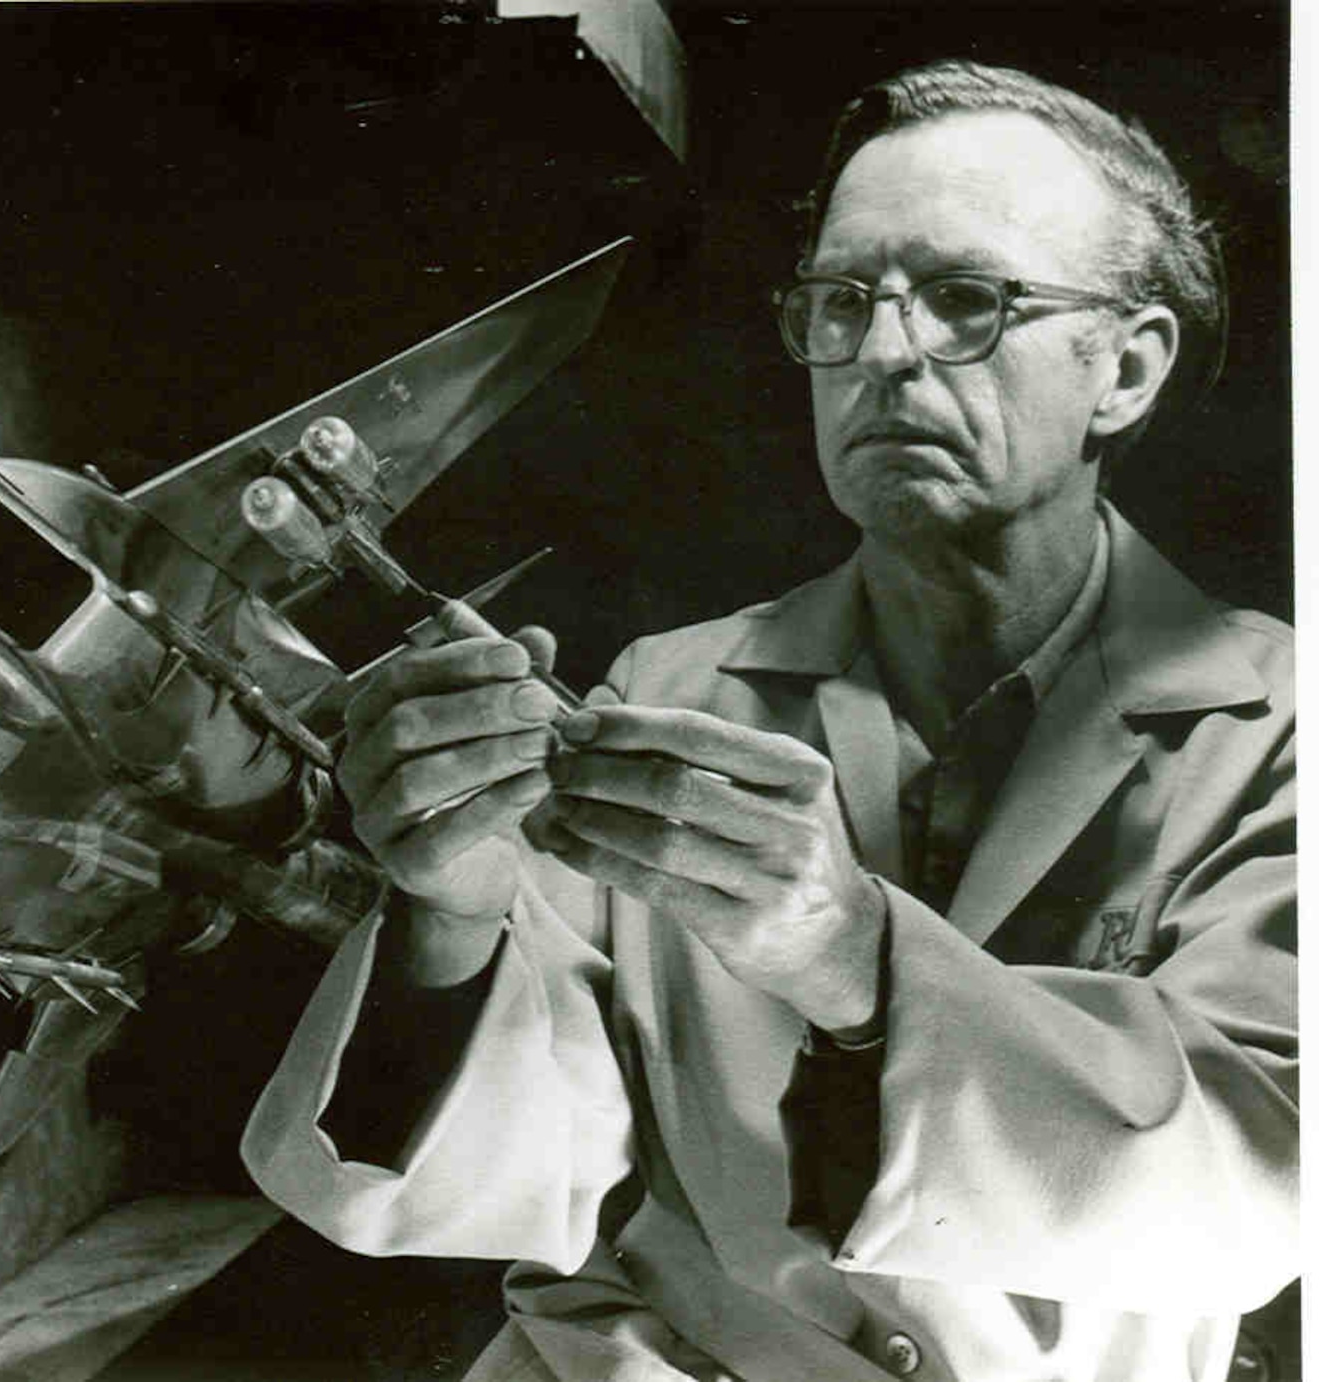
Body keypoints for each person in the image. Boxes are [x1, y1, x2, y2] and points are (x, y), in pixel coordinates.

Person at [241, 59, 1296, 1382]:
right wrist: (451, 904)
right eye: (843, 303)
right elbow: (511, 1181)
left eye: (968, 299)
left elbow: (1265, 1184)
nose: (888, 353)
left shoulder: (1279, 725)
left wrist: (853, 951)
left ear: (1127, 371)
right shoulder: (666, 687)